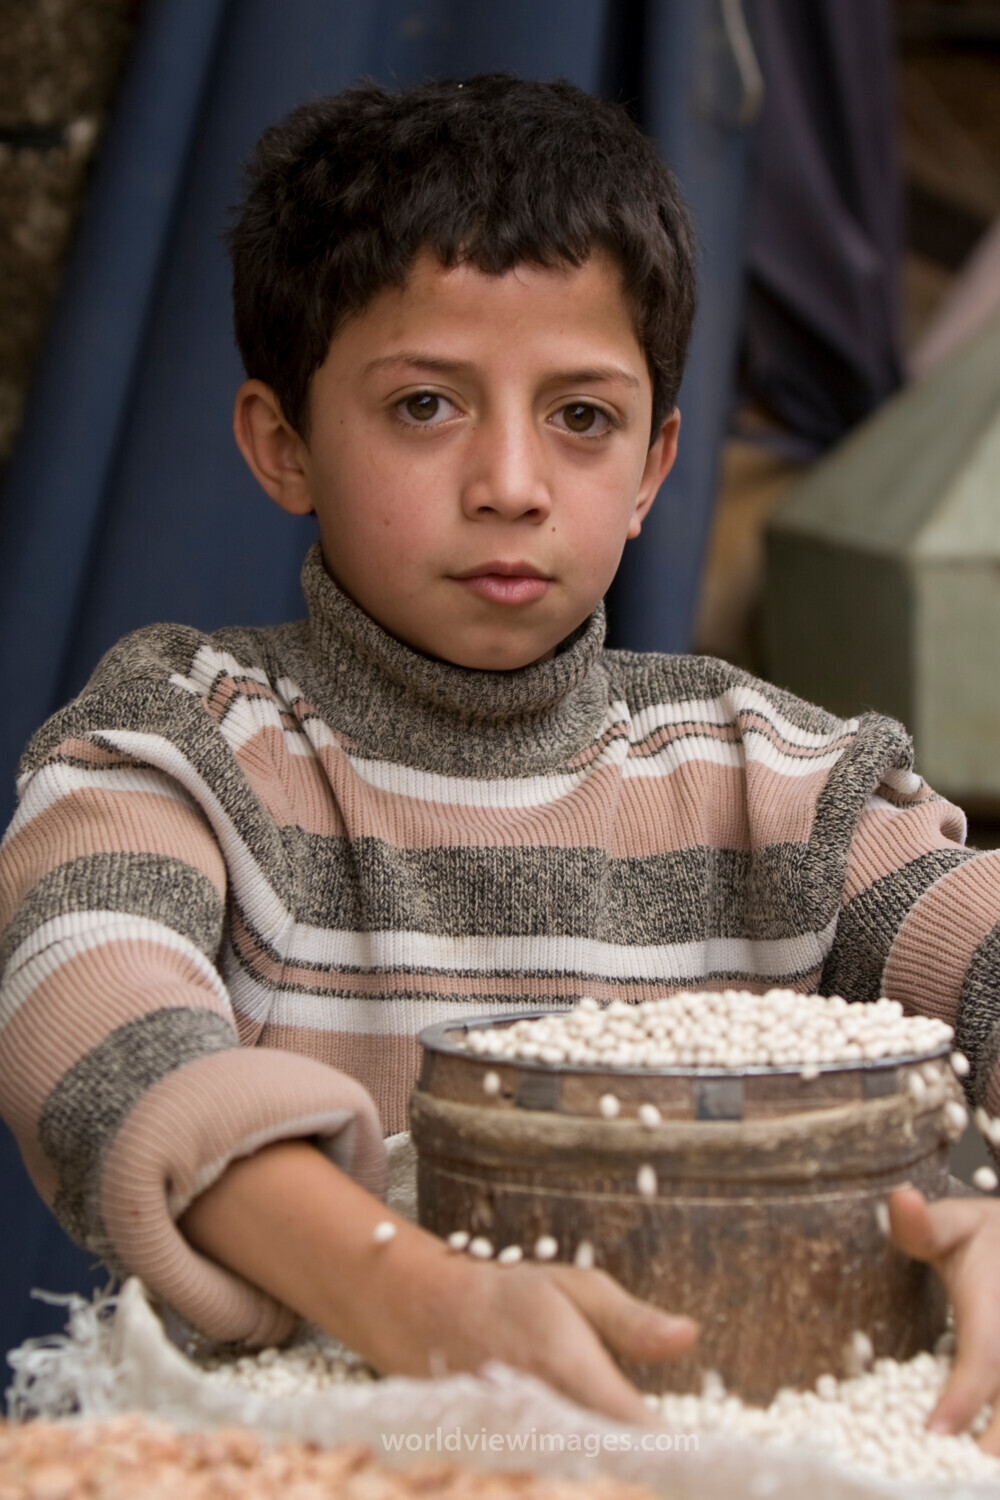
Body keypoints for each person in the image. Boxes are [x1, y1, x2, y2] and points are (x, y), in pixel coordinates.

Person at [2, 74, 999, 1440]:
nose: (513, 482)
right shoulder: (186, 745)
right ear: (281, 443)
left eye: (582, 418)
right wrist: (416, 1302)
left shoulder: (770, 780)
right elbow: (95, 1031)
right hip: (305, 1454)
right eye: (426, 406)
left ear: (654, 469)